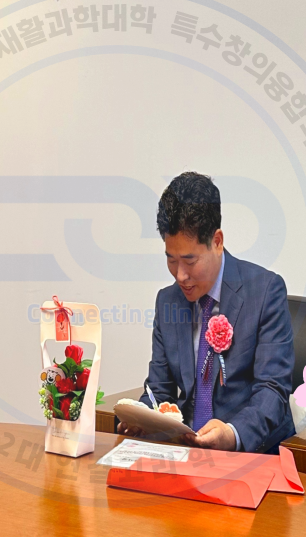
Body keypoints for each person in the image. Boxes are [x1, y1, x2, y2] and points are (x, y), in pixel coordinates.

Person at [124, 171, 296, 453]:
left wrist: (232, 434)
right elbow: (159, 390)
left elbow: (272, 390)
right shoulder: (168, 301)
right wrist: (142, 417)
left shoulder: (265, 292)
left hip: (250, 452)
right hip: (187, 451)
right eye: (171, 259)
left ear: (217, 241)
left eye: (190, 260)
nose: (180, 275)